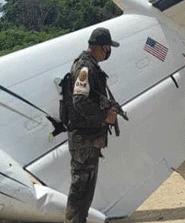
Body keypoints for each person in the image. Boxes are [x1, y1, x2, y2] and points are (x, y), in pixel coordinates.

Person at [65, 27, 120, 223]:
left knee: (85, 191)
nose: (108, 52)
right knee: (80, 190)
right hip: (84, 140)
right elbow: (79, 101)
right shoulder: (85, 68)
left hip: (89, 140)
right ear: (102, 47)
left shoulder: (90, 65)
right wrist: (104, 117)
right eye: (107, 48)